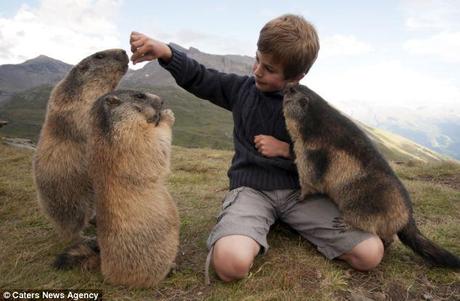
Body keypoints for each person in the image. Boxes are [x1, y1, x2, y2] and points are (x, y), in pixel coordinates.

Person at [129, 14, 384, 283]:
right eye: (257, 59)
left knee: (369, 253)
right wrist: (166, 53)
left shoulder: (311, 109)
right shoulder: (241, 90)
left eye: (270, 69)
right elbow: (201, 78)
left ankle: (285, 222)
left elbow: (333, 160)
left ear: (297, 76)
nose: (257, 71)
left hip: (301, 194)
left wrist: (287, 151)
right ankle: (257, 222)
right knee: (230, 265)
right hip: (251, 191)